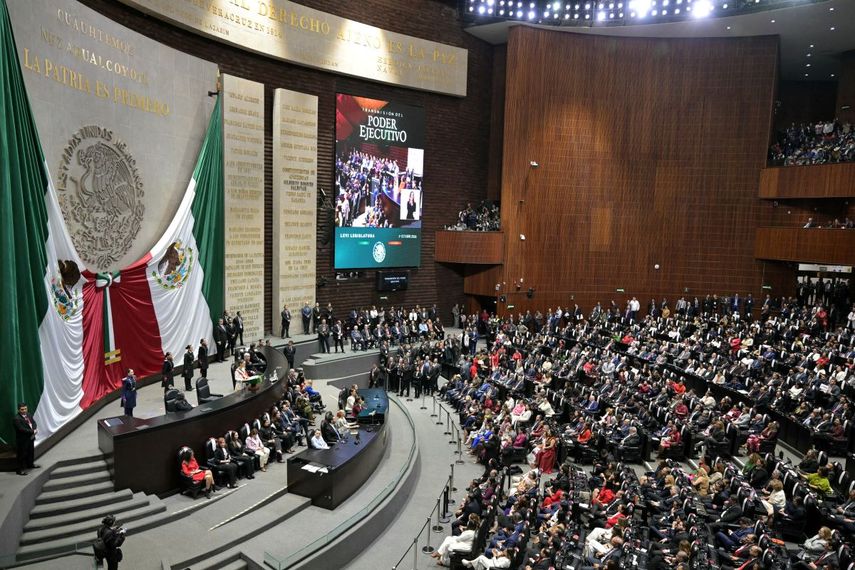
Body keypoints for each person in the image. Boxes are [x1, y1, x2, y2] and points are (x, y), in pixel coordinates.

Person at [13, 403, 38, 475]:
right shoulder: (16, 419)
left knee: (31, 452)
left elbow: (33, 423)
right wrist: (32, 431)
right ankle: (20, 470)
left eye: (25, 409)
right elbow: (21, 429)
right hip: (22, 440)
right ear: (18, 410)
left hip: (30, 437)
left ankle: (30, 464)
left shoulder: (29, 415)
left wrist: (34, 428)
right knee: (22, 454)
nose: (24, 410)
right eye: (22, 409)